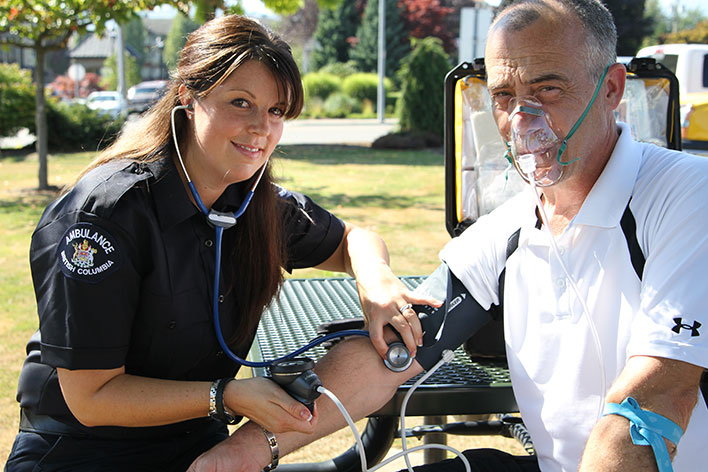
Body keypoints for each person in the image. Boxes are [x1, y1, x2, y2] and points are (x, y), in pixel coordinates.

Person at [187, 1, 708, 471]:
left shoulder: (685, 195)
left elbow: (658, 395)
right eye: (504, 96)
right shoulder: (512, 226)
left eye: (548, 89)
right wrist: (241, 454)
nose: (523, 120)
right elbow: (394, 349)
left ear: (612, 89)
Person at [4, 15, 438, 471]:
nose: (261, 128)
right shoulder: (104, 215)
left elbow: (354, 239)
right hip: (83, 451)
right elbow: (90, 398)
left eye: (276, 111)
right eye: (241, 102)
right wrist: (224, 395)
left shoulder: (252, 203)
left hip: (200, 447)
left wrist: (378, 282)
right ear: (189, 98)